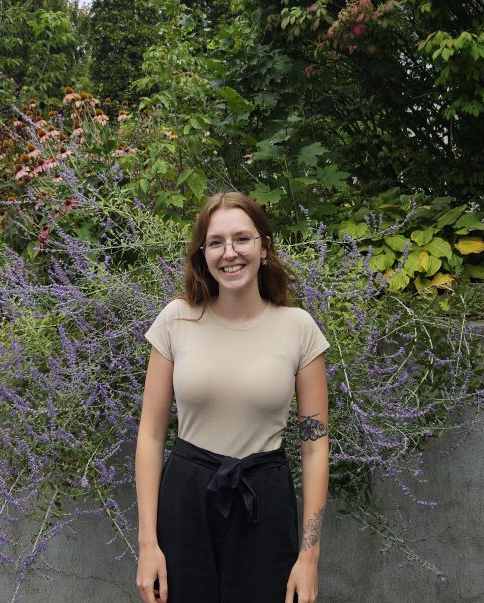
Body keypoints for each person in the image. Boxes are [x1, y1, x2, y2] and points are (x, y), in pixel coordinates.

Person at [135, 191, 330, 603]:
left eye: (242, 238)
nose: (230, 253)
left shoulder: (299, 329)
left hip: (265, 501)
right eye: (216, 242)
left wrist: (308, 558)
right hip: (186, 501)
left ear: (263, 246)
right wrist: (148, 545)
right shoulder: (176, 320)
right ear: (202, 253)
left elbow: (315, 448)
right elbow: (150, 437)